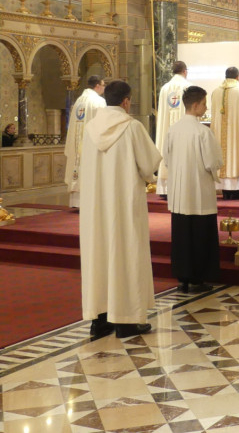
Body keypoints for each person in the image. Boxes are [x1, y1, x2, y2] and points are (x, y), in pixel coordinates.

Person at [79, 80, 162, 340]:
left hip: (96, 207)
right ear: (126, 101)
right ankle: (127, 321)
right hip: (123, 205)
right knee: (126, 253)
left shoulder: (90, 129)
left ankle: (100, 321)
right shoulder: (132, 127)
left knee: (99, 256)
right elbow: (149, 164)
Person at [163, 86, 223, 293]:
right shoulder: (202, 132)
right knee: (200, 235)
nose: (206, 108)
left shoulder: (172, 130)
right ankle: (198, 279)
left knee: (181, 236)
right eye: (204, 104)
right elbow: (212, 162)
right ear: (195, 105)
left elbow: (167, 159)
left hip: (179, 194)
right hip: (199, 193)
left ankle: (183, 279)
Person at [210, 67, 239, 200]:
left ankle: (225, 189)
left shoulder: (216, 92)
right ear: (238, 77)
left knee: (221, 155)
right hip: (237, 134)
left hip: (219, 135)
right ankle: (235, 189)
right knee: (236, 155)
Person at [64, 76, 106, 209]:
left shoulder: (79, 101)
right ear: (97, 86)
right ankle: (89, 202)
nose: (104, 88)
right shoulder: (98, 101)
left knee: (78, 167)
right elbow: (103, 125)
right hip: (90, 146)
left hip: (77, 145)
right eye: (103, 85)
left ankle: (76, 202)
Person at [155, 61, 191, 198]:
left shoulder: (165, 88)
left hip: (167, 131)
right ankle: (181, 189)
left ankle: (165, 190)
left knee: (167, 151)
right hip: (183, 131)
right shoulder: (188, 87)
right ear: (185, 71)